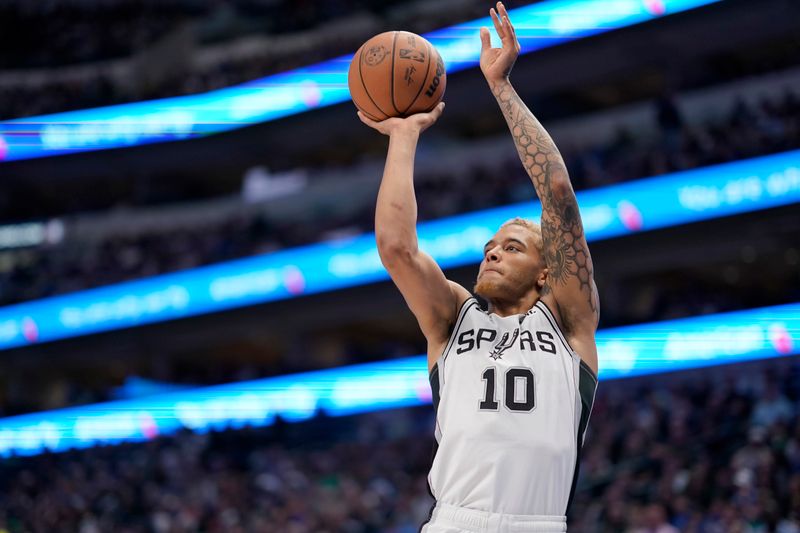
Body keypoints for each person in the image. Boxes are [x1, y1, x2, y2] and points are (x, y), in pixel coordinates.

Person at [358, 3, 599, 531]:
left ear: (545, 273)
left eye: (513, 247)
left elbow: (557, 193)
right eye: (491, 246)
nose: (492, 252)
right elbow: (397, 248)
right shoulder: (453, 318)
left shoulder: (566, 321)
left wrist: (502, 88)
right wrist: (404, 136)